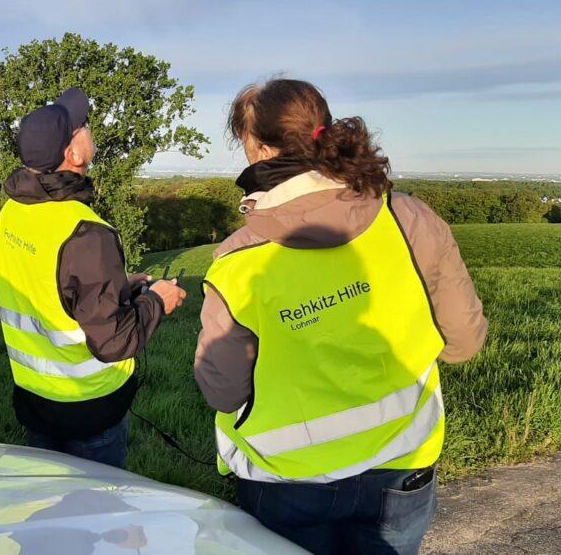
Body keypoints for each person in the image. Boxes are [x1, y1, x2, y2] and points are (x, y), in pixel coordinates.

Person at [194, 79, 488, 554]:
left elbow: (222, 391)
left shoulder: (237, 263)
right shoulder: (409, 219)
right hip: (402, 465)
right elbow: (463, 343)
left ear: (260, 150)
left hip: (285, 481)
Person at [0, 88, 187, 468]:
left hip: (34, 396)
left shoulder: (12, 211)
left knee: (44, 499)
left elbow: (49, 285)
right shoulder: (86, 232)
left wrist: (119, 286)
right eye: (82, 125)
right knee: (95, 504)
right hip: (90, 407)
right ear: (75, 154)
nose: (88, 127)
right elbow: (113, 341)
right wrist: (157, 300)